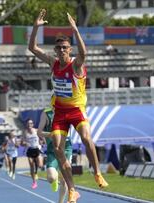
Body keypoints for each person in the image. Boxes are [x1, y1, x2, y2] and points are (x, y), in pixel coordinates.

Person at [28, 9, 108, 202]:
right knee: (57, 148)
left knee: (87, 138)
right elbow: (33, 48)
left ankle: (97, 172)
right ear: (55, 51)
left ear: (69, 49)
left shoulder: (76, 64)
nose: (62, 50)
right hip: (60, 112)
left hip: (77, 110)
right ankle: (72, 189)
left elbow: (84, 53)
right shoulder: (53, 63)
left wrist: (76, 30)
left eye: (65, 47)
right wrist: (35, 28)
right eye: (59, 48)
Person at [38, 107, 73, 203]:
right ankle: (54, 179)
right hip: (53, 149)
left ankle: (60, 202)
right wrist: (52, 134)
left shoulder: (69, 110)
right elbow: (39, 132)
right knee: (51, 178)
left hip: (66, 148)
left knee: (65, 179)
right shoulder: (46, 113)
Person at [21, 118, 43, 189]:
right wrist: (25, 143)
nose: (29, 124)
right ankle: (34, 182)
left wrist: (41, 142)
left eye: (31, 123)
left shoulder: (36, 130)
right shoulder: (25, 132)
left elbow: (42, 138)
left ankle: (36, 172)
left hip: (37, 149)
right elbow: (22, 143)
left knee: (40, 165)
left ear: (32, 124)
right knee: (31, 165)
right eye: (28, 123)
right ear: (26, 124)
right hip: (30, 150)